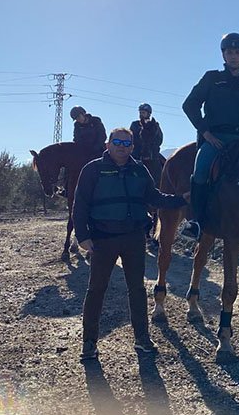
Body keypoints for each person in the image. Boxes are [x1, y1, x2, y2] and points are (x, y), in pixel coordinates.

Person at [73, 127, 187, 360]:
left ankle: (142, 339)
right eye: (117, 142)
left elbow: (153, 197)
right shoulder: (93, 170)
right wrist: (82, 236)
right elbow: (80, 204)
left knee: (136, 290)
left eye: (127, 143)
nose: (122, 147)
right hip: (102, 239)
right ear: (108, 144)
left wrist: (179, 200)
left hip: (134, 238)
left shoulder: (139, 170)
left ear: (132, 147)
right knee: (96, 290)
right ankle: (89, 342)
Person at [179, 32, 239, 239]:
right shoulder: (211, 78)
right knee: (201, 170)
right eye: (229, 52)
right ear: (223, 55)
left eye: (238, 52)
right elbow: (189, 105)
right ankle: (196, 221)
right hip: (214, 138)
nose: (233, 56)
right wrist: (205, 132)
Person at [130, 103, 164, 178]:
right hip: (137, 152)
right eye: (140, 112)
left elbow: (160, 139)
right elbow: (131, 137)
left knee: (165, 164)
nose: (141, 114)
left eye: (143, 113)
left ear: (148, 113)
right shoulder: (135, 124)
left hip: (152, 152)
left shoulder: (155, 125)